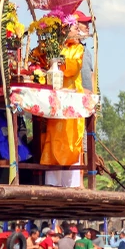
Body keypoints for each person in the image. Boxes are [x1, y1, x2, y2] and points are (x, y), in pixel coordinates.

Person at [36, 17, 87, 188]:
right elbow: (38, 57)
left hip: (71, 101)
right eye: (73, 28)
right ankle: (52, 183)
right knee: (53, 137)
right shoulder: (53, 46)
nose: (76, 31)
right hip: (55, 101)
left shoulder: (78, 49)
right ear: (63, 31)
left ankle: (71, 185)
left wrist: (58, 60)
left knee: (71, 140)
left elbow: (72, 67)